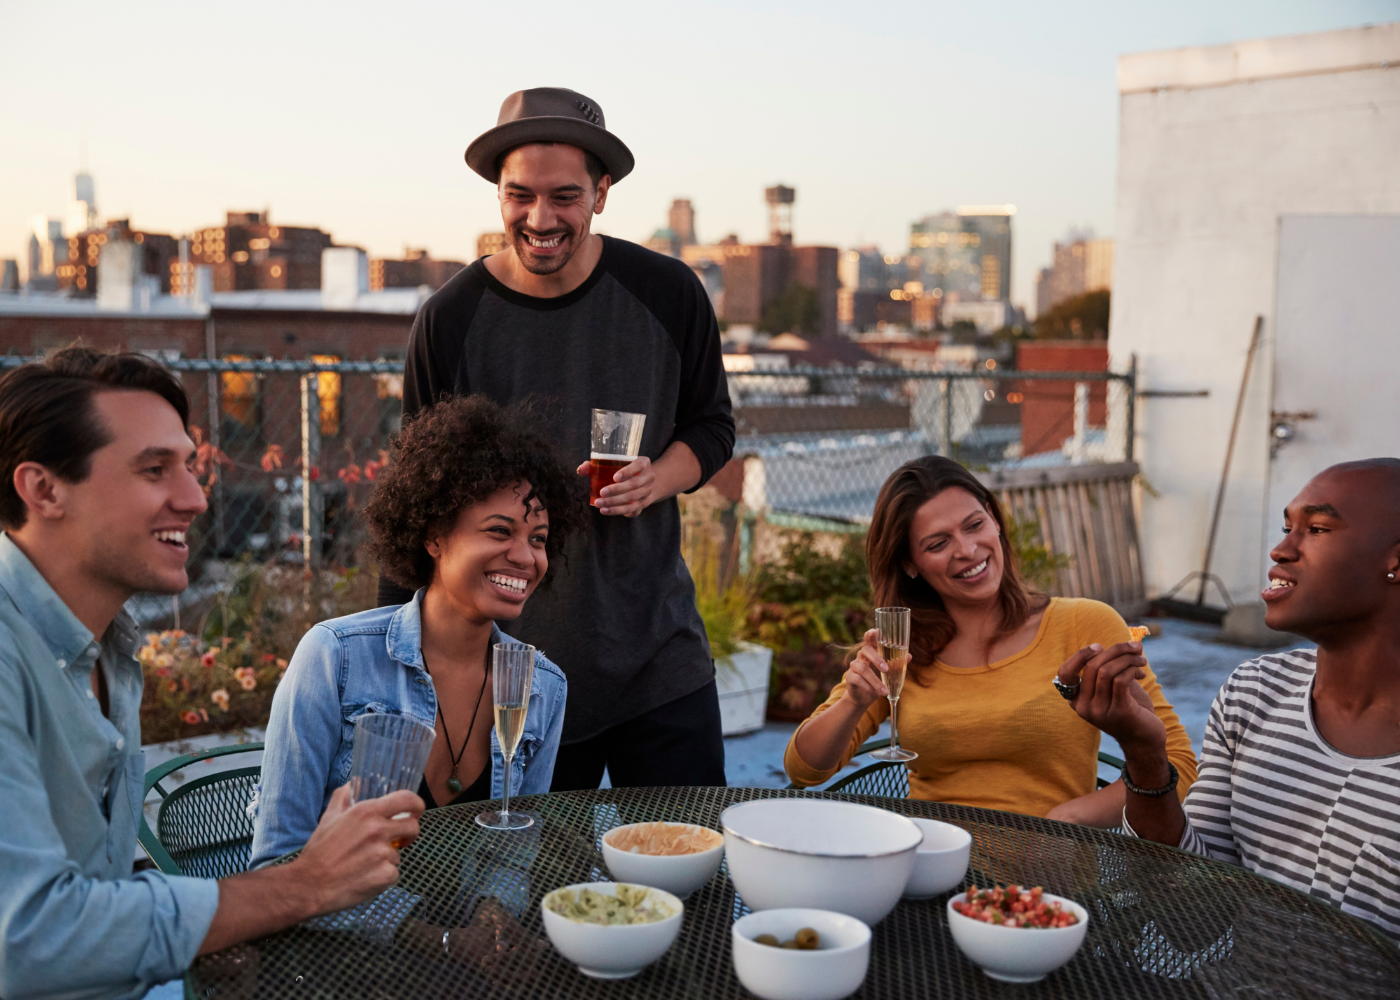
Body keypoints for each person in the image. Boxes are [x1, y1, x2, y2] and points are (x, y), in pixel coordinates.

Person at [0, 348, 422, 1000]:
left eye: (191, 468)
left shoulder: (107, 646)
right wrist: (305, 884)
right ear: (44, 489)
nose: (196, 499)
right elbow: (28, 939)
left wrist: (201, 936)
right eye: (154, 470)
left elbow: (94, 895)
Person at [378, 87, 735, 791]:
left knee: (690, 876)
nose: (540, 218)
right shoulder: (449, 320)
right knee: (519, 892)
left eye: (565, 196)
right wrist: (398, 674)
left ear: (601, 194)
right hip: (509, 670)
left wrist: (658, 477)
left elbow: (713, 425)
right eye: (520, 195)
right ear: (498, 194)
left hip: (655, 658)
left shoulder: (668, 293)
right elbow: (413, 504)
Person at [1062, 459, 1400, 938]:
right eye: (1286, 527)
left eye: (1317, 529)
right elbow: (1191, 921)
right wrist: (1144, 754)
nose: (1281, 549)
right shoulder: (1254, 694)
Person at [252, 395, 581, 865]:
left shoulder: (544, 687)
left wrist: (495, 918)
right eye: (499, 531)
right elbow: (278, 860)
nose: (526, 557)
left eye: (539, 539)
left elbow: (514, 860)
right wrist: (420, 936)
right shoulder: (335, 658)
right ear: (435, 536)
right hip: (350, 933)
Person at [785, 455, 1197, 824]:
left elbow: (1178, 765)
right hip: (932, 873)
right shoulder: (901, 646)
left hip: (1051, 889)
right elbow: (804, 769)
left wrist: (1069, 819)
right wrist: (854, 702)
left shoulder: (1084, 625)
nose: (967, 549)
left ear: (995, 521)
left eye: (975, 524)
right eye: (938, 543)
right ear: (910, 564)